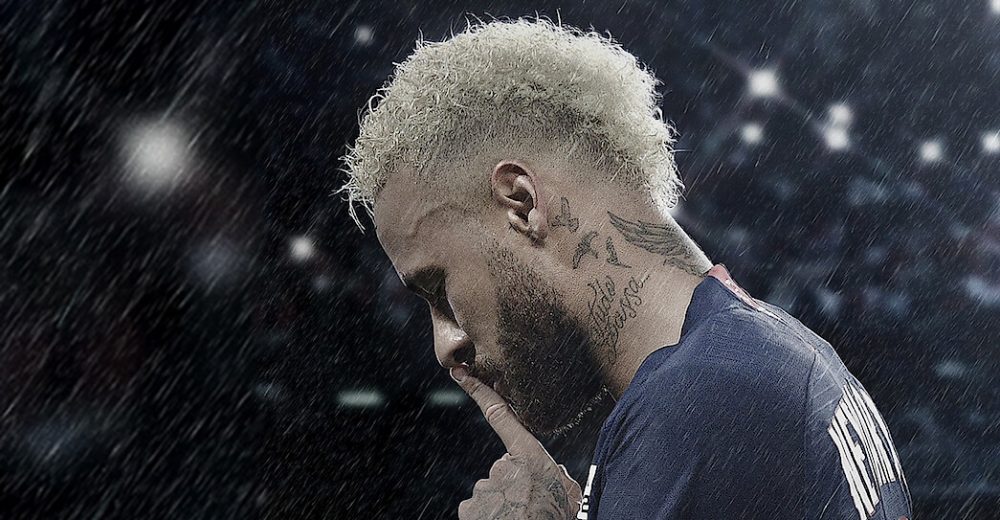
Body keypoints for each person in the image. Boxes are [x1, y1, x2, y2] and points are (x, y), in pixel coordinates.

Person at [336, 16, 913, 520]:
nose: (446, 345)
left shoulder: (695, 407)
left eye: (438, 289)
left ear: (523, 203)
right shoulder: (776, 351)